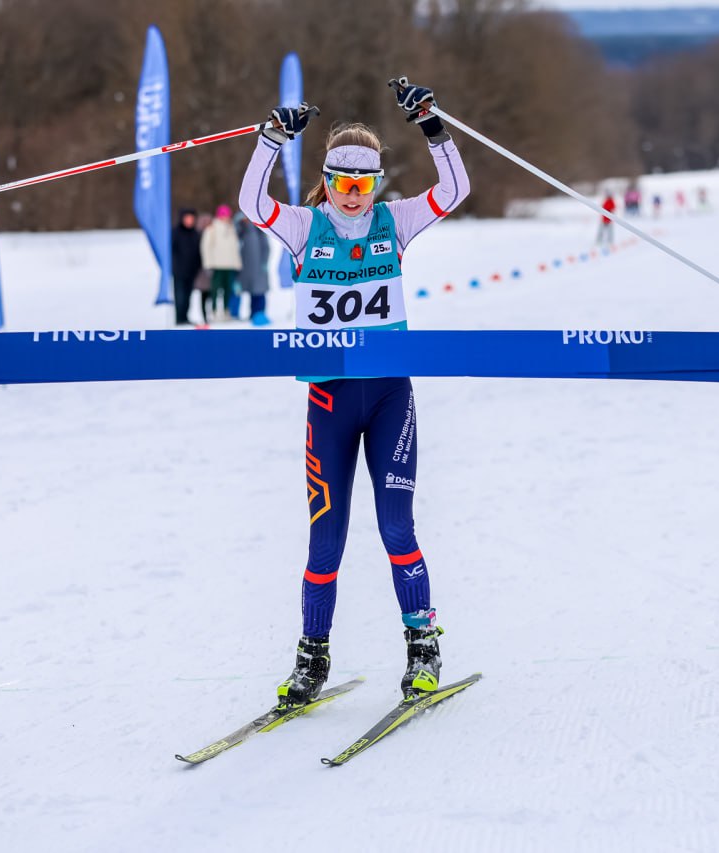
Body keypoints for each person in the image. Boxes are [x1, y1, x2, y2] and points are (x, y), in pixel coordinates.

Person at [238, 77, 469, 706]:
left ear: (377, 185)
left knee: (397, 526)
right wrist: (270, 140)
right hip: (330, 402)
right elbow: (250, 202)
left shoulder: (394, 222)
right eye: (342, 183)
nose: (352, 196)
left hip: (390, 396)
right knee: (325, 539)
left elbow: (455, 190)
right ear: (328, 180)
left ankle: (423, 648)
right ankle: (312, 659)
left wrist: (431, 124)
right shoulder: (302, 227)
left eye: (364, 184)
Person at [200, 205, 242, 322]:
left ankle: (225, 311)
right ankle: (213, 311)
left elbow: (234, 248)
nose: (226, 218)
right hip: (217, 265)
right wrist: (208, 264)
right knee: (215, 290)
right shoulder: (212, 228)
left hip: (229, 265)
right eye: (224, 215)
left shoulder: (231, 228)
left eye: (227, 216)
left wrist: (237, 263)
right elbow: (206, 246)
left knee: (228, 290)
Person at [233, 211, 271, 325]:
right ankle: (233, 314)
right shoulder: (237, 233)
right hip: (240, 268)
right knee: (236, 292)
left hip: (257, 267)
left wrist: (264, 262)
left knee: (258, 291)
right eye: (243, 220)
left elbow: (266, 247)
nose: (246, 222)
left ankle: (258, 313)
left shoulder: (258, 232)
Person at [170, 207, 202, 325]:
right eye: (187, 218)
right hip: (179, 270)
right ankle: (179, 318)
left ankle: (185, 317)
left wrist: (198, 266)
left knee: (188, 296)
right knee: (179, 295)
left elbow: (199, 252)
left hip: (192, 270)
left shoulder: (196, 233)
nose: (189, 221)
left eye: (191, 219)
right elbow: (171, 251)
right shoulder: (175, 232)